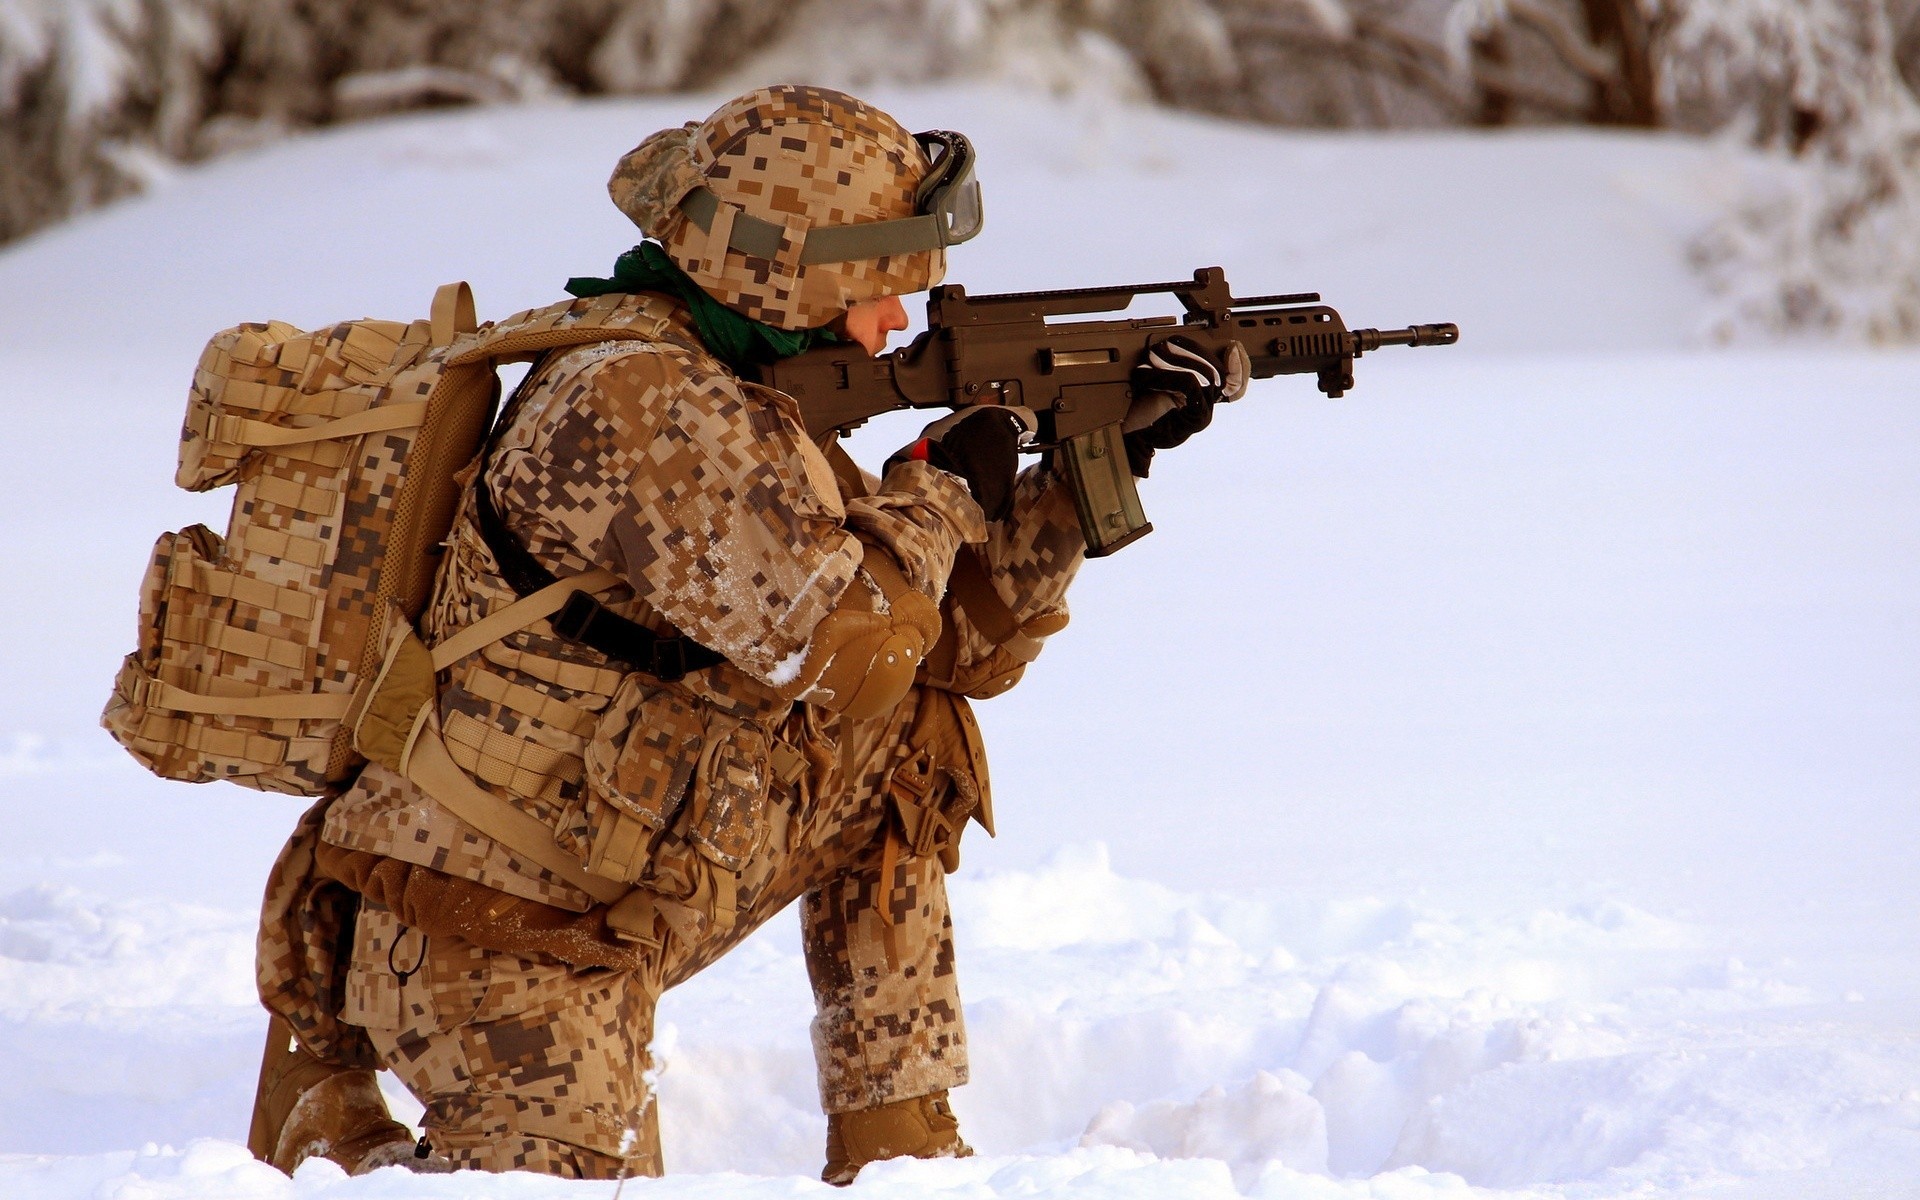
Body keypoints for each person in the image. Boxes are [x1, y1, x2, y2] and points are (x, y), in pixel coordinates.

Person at [247, 83, 1231, 1183]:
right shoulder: (645, 409)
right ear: (791, 272)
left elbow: (951, 655)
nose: (898, 319)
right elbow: (847, 648)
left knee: (913, 748)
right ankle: (326, 1087)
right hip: (490, 932)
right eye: (879, 283)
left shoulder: (740, 399)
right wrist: (944, 493)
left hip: (617, 890)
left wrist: (1084, 477)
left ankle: (900, 1147)